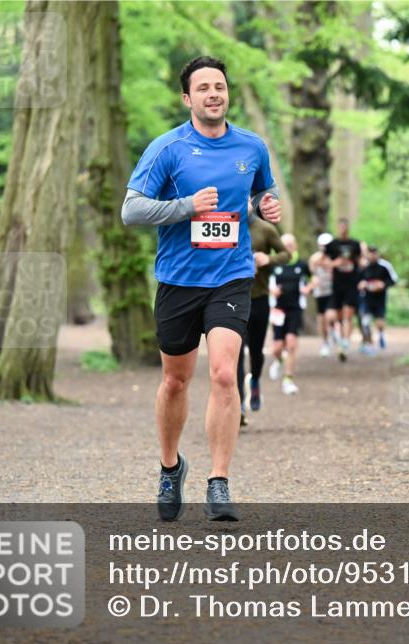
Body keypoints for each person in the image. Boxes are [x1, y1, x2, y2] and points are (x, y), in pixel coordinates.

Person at [121, 56, 281, 522]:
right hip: (178, 279)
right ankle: (171, 467)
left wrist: (264, 206)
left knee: (225, 375)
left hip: (231, 275)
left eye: (220, 86)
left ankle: (219, 483)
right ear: (188, 98)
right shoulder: (167, 149)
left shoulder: (251, 147)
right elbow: (131, 211)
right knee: (175, 380)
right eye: (204, 88)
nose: (215, 94)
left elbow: (258, 194)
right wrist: (186, 206)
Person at [237, 216, 289, 422]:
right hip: (232, 298)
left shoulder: (265, 229)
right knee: (235, 354)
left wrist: (269, 259)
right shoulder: (225, 222)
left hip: (258, 298)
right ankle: (238, 404)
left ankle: (255, 380)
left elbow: (286, 254)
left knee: (256, 351)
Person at [268, 233, 309, 394]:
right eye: (285, 244)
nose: (288, 247)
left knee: (291, 343)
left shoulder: (301, 264)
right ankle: (278, 360)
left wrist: (308, 288)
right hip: (278, 309)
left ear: (296, 246)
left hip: (295, 308)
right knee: (276, 348)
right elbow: (263, 282)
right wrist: (272, 290)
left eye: (291, 244)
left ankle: (288, 379)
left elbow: (314, 279)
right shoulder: (274, 264)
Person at [324, 219, 363, 362]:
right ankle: (339, 339)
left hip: (351, 284)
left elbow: (360, 262)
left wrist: (358, 267)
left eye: (345, 226)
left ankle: (345, 344)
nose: (342, 229)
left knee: (347, 315)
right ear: (337, 227)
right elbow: (323, 261)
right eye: (340, 226)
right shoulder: (332, 245)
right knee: (334, 317)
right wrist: (336, 263)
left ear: (348, 228)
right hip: (337, 285)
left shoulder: (355, 244)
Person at [358, 245, 398, 351]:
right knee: (365, 321)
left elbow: (393, 280)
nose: (372, 255)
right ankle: (368, 343)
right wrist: (362, 284)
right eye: (370, 253)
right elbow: (358, 280)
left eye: (374, 253)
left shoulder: (384, 266)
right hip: (366, 298)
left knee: (380, 320)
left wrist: (383, 285)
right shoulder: (364, 266)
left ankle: (381, 335)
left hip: (380, 298)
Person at [308, 232, 335, 357]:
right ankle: (325, 342)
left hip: (333, 291)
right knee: (322, 318)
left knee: (331, 316)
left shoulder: (335, 258)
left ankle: (335, 334)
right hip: (320, 292)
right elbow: (312, 274)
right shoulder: (314, 258)